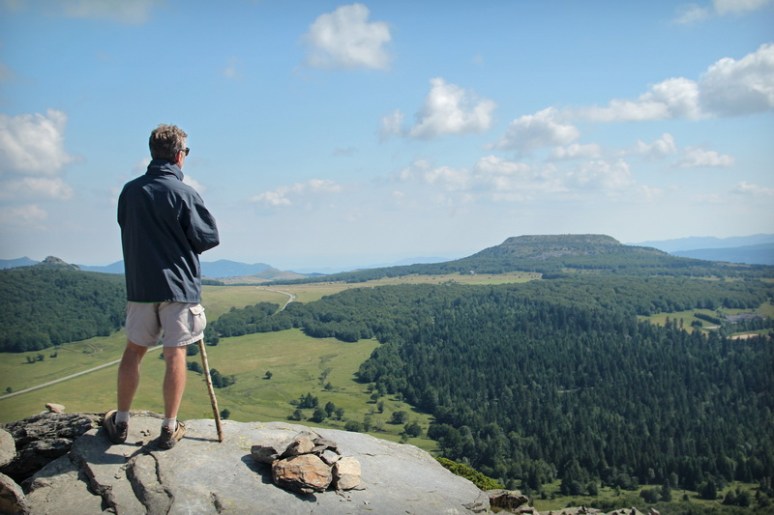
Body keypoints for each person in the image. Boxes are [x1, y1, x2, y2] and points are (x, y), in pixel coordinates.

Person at [104, 124, 220, 449]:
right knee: (175, 354)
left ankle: (122, 420)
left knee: (133, 350)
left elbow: (125, 224)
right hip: (179, 286)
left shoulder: (130, 191)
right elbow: (208, 238)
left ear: (153, 152)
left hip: (141, 285)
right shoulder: (184, 193)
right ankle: (169, 427)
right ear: (179, 156)